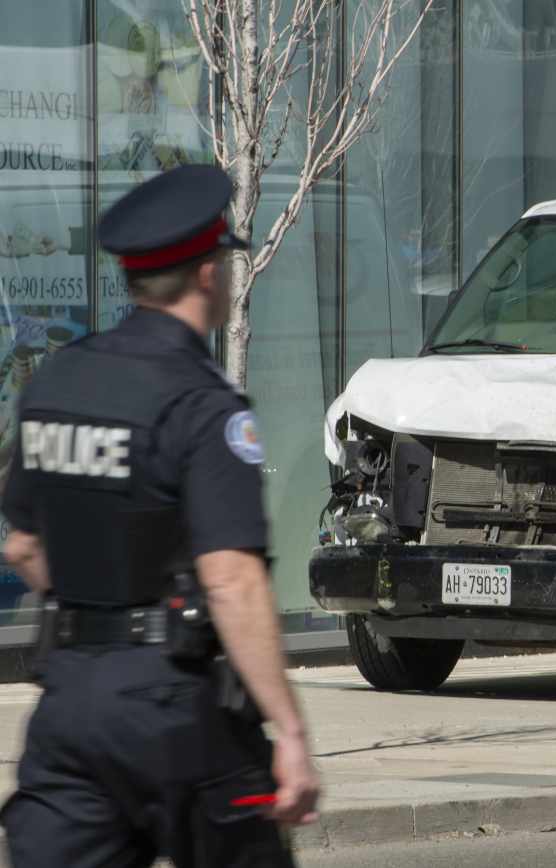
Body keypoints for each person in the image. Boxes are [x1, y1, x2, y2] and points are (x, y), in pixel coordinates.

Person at [0, 164, 320, 867]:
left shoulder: (57, 380)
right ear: (210, 275)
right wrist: (289, 732)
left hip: (70, 703)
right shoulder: (202, 405)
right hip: (177, 710)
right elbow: (233, 580)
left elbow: (23, 545)